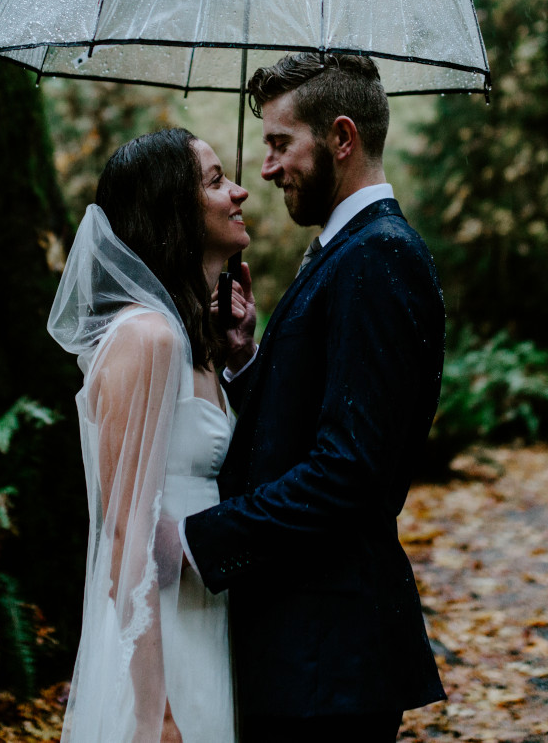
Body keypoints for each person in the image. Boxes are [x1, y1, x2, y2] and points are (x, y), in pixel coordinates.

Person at [176, 52, 448, 743]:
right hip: (304, 653)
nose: (266, 169)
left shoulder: (376, 256)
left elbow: (349, 471)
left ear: (342, 138)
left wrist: (201, 538)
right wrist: (244, 357)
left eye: (280, 143)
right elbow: (312, 424)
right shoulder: (346, 250)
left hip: (328, 659)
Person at [48, 128, 251, 743]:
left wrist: (237, 349)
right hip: (161, 646)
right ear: (173, 210)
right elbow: (125, 538)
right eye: (216, 182)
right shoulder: (148, 340)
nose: (239, 191)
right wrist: (154, 713)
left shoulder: (194, 341)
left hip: (204, 618)